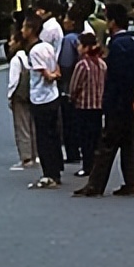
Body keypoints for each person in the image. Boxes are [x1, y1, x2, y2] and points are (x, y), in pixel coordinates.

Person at [74, 3, 134, 197]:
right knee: (130, 144)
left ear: (113, 22)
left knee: (107, 145)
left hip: (118, 104)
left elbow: (115, 79)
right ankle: (132, 183)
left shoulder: (117, 47)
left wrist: (110, 102)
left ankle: (95, 185)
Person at [21, 13, 64, 189]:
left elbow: (47, 75)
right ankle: (56, 171)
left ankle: (49, 174)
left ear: (31, 30)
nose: (22, 30)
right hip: (53, 97)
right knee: (53, 136)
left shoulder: (35, 51)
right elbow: (56, 68)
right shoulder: (47, 47)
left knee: (43, 138)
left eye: (24, 27)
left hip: (41, 99)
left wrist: (52, 76)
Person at [69, 33, 107, 179]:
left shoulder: (82, 65)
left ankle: (87, 166)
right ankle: (96, 166)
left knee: (85, 139)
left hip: (84, 106)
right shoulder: (102, 64)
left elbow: (74, 86)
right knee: (96, 138)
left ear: (85, 47)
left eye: (80, 45)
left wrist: (72, 98)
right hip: (98, 106)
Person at [6, 30, 37, 170]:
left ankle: (26, 157)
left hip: (20, 95)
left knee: (22, 126)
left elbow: (13, 81)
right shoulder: (29, 56)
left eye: (12, 40)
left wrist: (10, 97)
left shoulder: (16, 60)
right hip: (33, 94)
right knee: (33, 125)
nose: (9, 43)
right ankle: (35, 154)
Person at [58, 10, 83, 165]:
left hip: (69, 86)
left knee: (69, 122)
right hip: (81, 86)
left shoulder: (68, 39)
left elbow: (66, 64)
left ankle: (72, 152)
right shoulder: (81, 36)